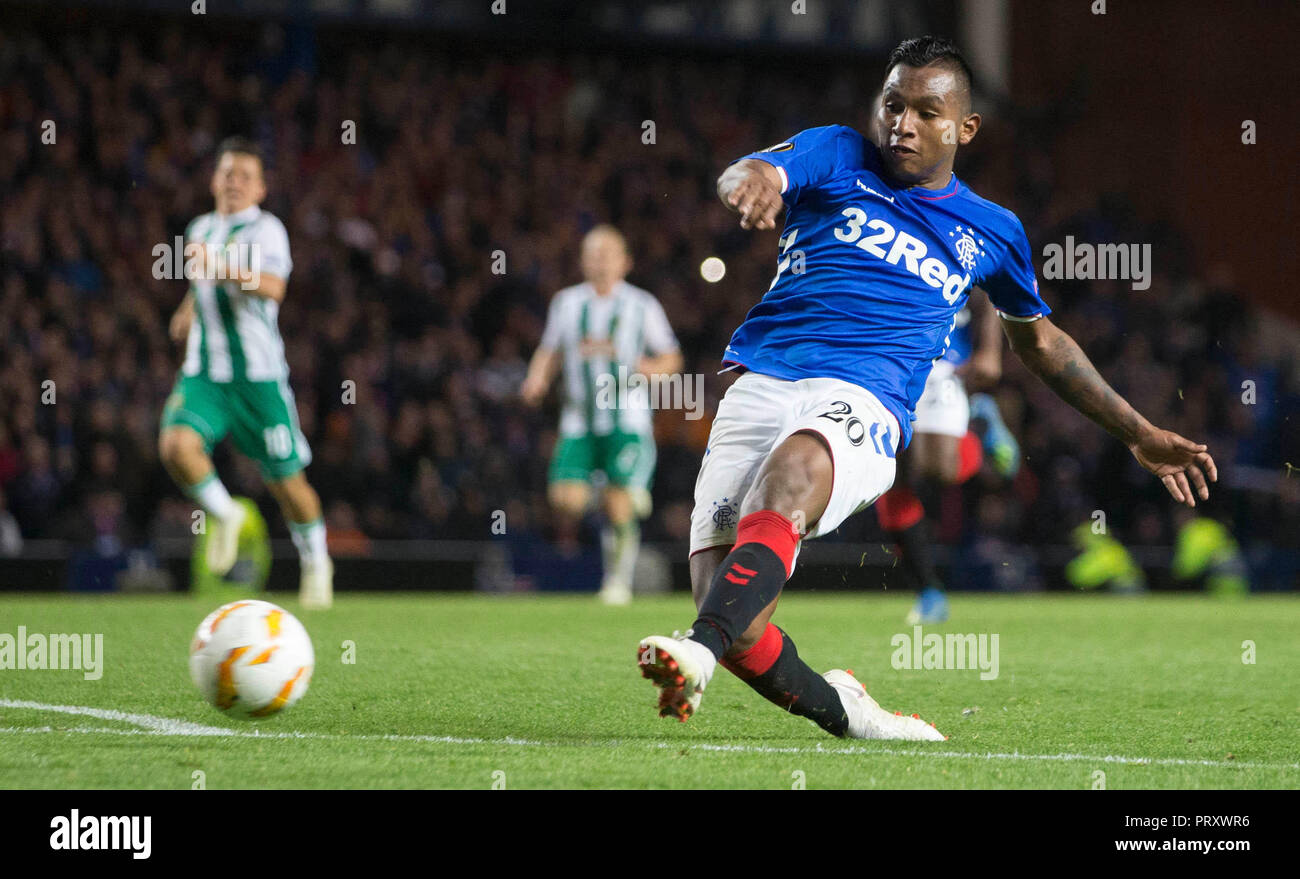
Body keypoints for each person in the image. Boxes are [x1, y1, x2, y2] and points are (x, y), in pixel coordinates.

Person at [636, 36, 1215, 741]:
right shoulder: (840, 153)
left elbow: (1042, 342)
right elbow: (754, 171)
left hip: (866, 400)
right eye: (893, 105)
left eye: (925, 111)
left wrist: (1139, 431)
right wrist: (748, 183)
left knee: (790, 482)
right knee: (737, 617)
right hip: (762, 384)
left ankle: (694, 650)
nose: (901, 124)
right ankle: (850, 714)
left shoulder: (993, 231)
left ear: (964, 128)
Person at [159, 137, 333, 609]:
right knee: (176, 445)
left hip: (258, 378)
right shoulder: (199, 228)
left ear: (261, 189)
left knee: (286, 482)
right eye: (227, 173)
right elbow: (204, 282)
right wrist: (188, 308)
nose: (234, 182)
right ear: (214, 180)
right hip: (205, 372)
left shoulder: (267, 231)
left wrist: (222, 267)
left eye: (245, 176)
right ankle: (226, 514)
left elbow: (274, 287)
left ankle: (316, 559)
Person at [521, 225, 683, 604]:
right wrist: (536, 378)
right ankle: (614, 489)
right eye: (593, 253)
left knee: (619, 504)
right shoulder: (566, 303)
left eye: (609, 253)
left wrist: (653, 370)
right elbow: (550, 349)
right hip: (579, 419)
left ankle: (617, 582)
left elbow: (672, 357)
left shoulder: (642, 304)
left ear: (625, 262)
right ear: (582, 261)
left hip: (626, 418)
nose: (601, 260)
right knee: (565, 501)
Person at [875, 290, 1020, 624]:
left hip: (944, 363)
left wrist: (989, 351)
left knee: (938, 470)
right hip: (886, 362)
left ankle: (980, 425)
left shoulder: (957, 239)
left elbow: (987, 286)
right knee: (888, 477)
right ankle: (929, 591)